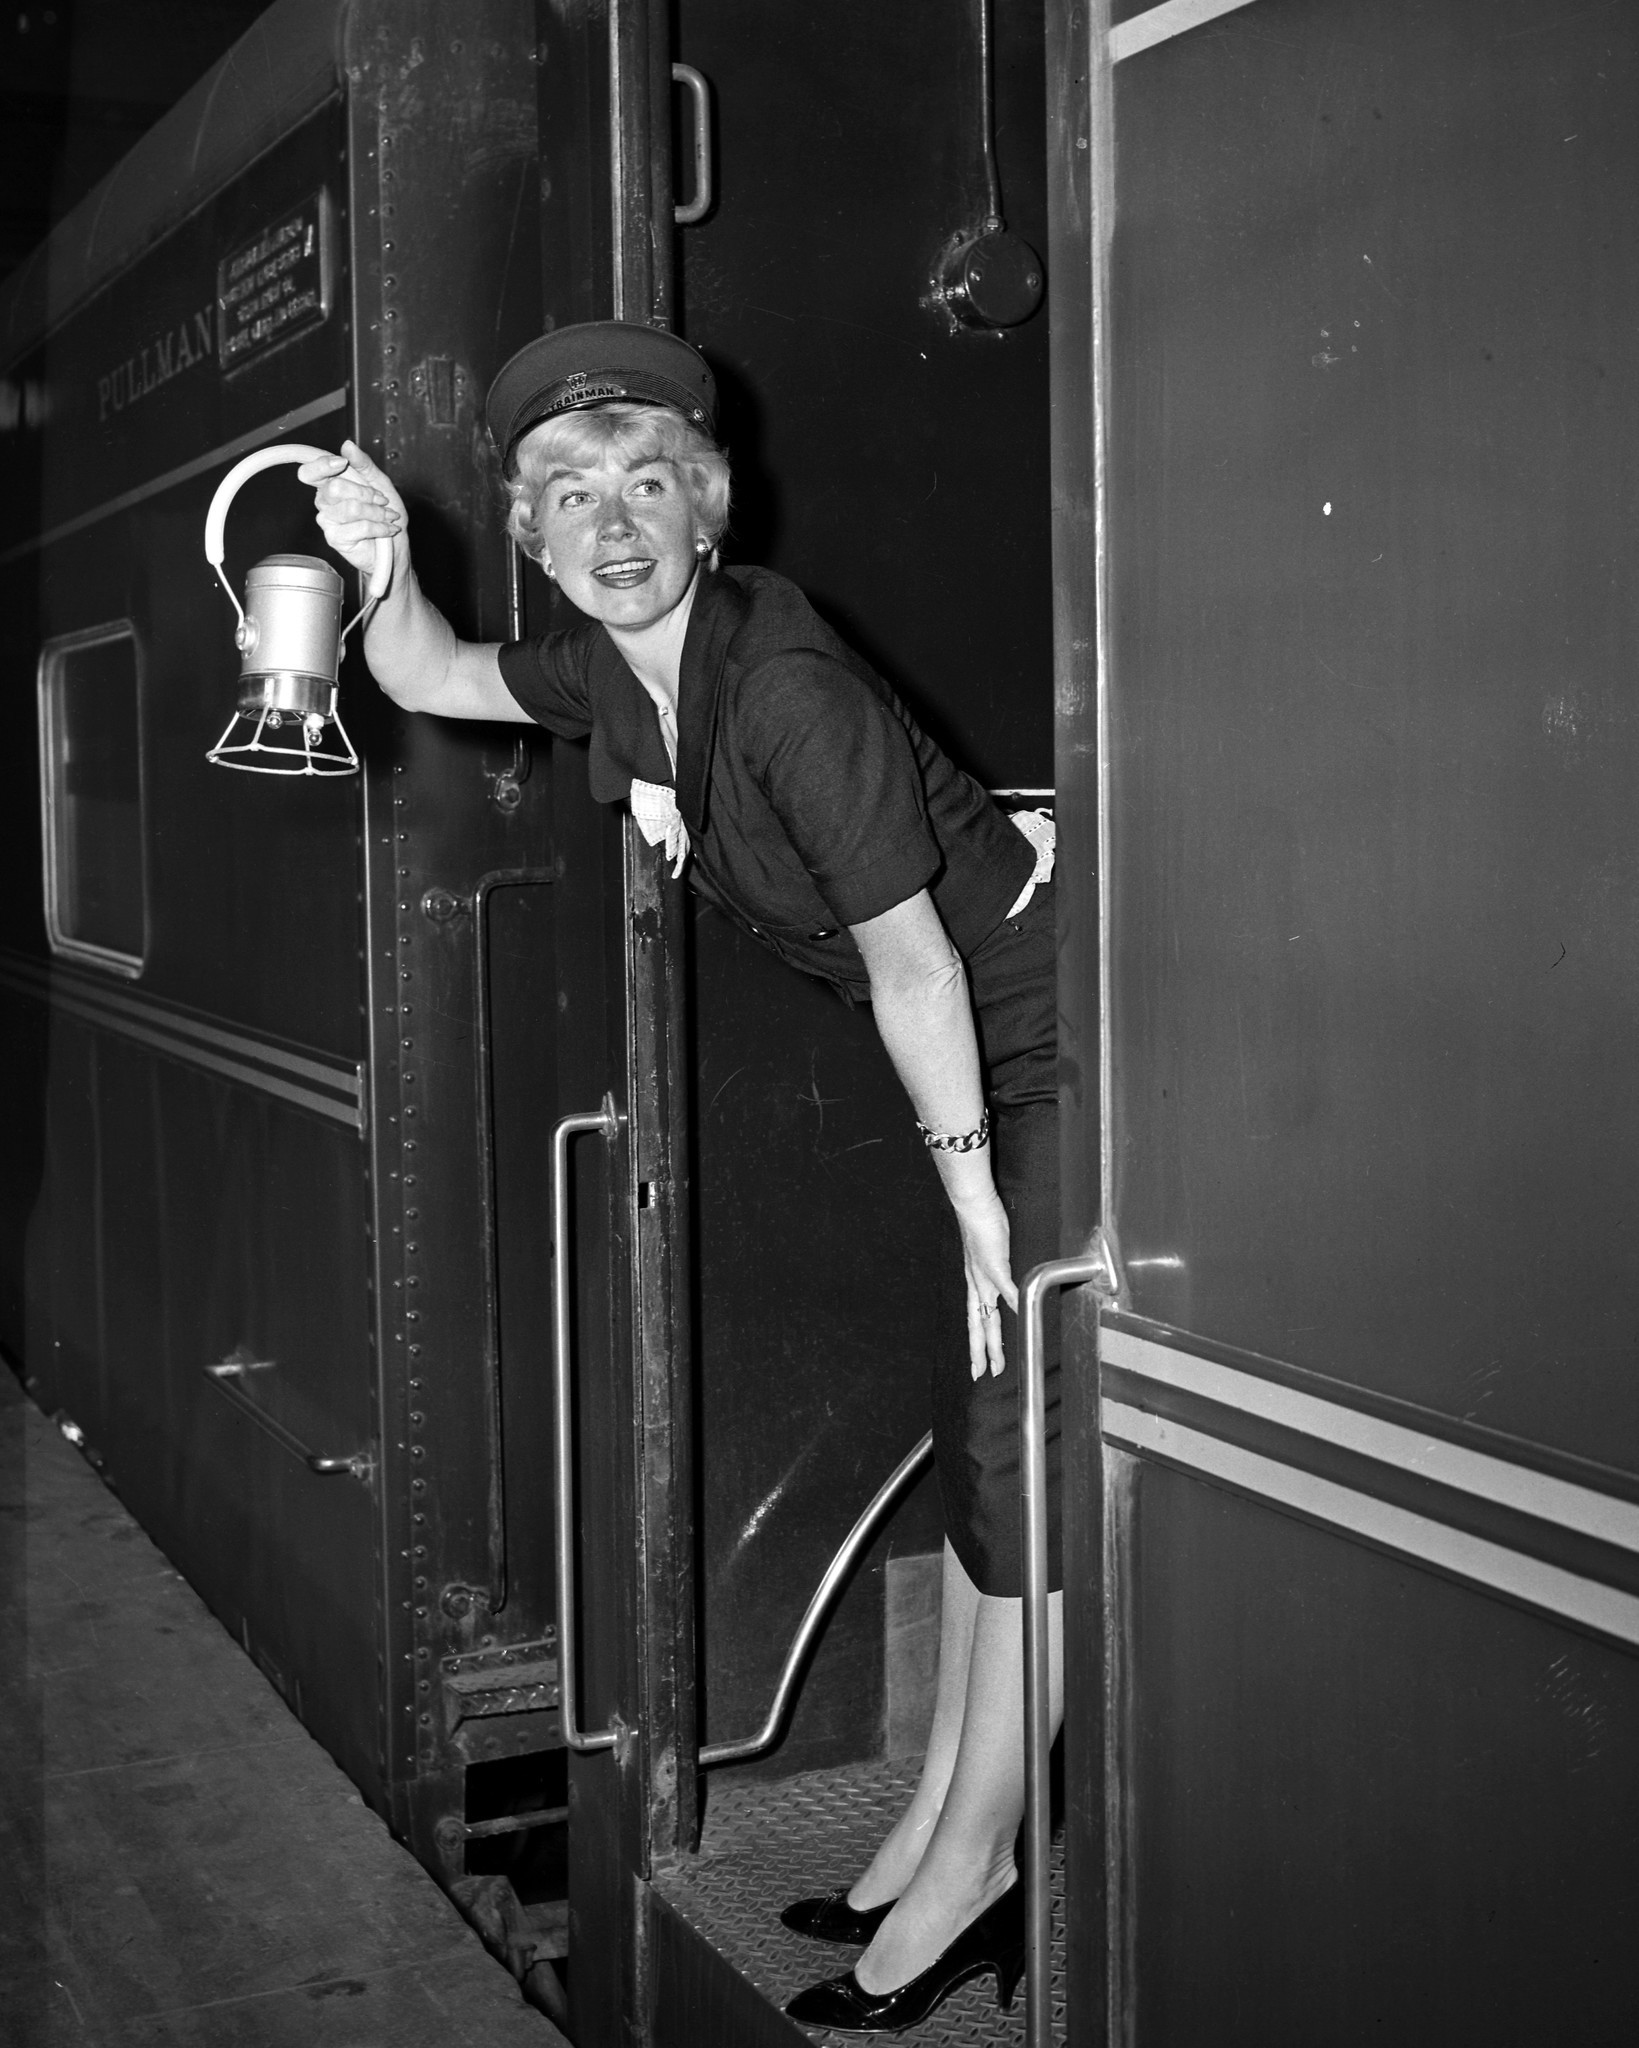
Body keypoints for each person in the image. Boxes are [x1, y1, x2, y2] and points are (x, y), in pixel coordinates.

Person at [302, 320, 1064, 2033]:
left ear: (707, 509)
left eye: (649, 483)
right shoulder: (618, 668)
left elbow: (918, 968)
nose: (615, 522)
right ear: (534, 532)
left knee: (1026, 1444)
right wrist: (380, 562)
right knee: (985, 1439)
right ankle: (944, 1833)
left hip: (1053, 1039)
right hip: (986, 1055)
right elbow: (431, 679)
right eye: (571, 496)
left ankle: (975, 1871)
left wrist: (974, 1200)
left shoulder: (779, 685)